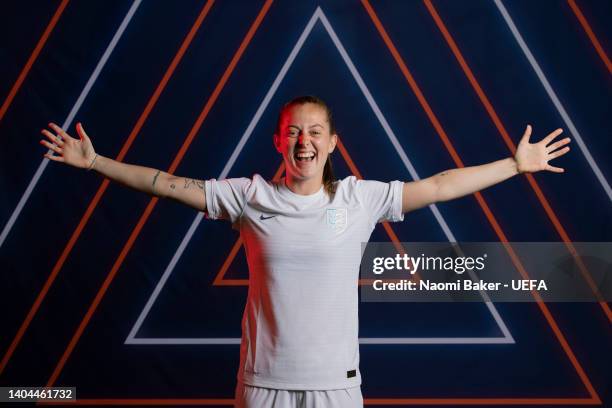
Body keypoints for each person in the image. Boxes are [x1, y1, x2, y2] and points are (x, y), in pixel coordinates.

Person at [40, 95, 571, 407]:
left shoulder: (360, 199)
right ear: (278, 142)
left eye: (315, 131)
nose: (303, 141)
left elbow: (438, 184)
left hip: (336, 390)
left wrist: (514, 165)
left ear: (333, 142)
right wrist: (95, 163)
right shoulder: (248, 197)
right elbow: (165, 183)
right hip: (261, 385)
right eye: (293, 132)